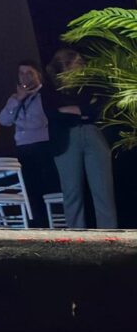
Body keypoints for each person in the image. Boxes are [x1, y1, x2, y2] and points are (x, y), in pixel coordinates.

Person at [46, 47, 118, 229]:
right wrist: (82, 111)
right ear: (64, 65)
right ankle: (77, 236)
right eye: (76, 63)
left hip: (93, 133)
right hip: (66, 138)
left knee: (103, 191)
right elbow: (53, 113)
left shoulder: (90, 85)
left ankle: (109, 235)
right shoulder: (51, 89)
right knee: (72, 192)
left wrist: (74, 110)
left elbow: (96, 110)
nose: (81, 67)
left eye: (81, 63)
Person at [0, 61, 60, 225]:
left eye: (29, 73)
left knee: (47, 187)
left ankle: (55, 223)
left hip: (42, 146)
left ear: (38, 75)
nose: (24, 77)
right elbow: (3, 120)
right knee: (31, 190)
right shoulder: (15, 98)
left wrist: (21, 122)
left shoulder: (45, 95)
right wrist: (18, 100)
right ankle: (40, 225)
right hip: (23, 149)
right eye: (21, 73)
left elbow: (39, 121)